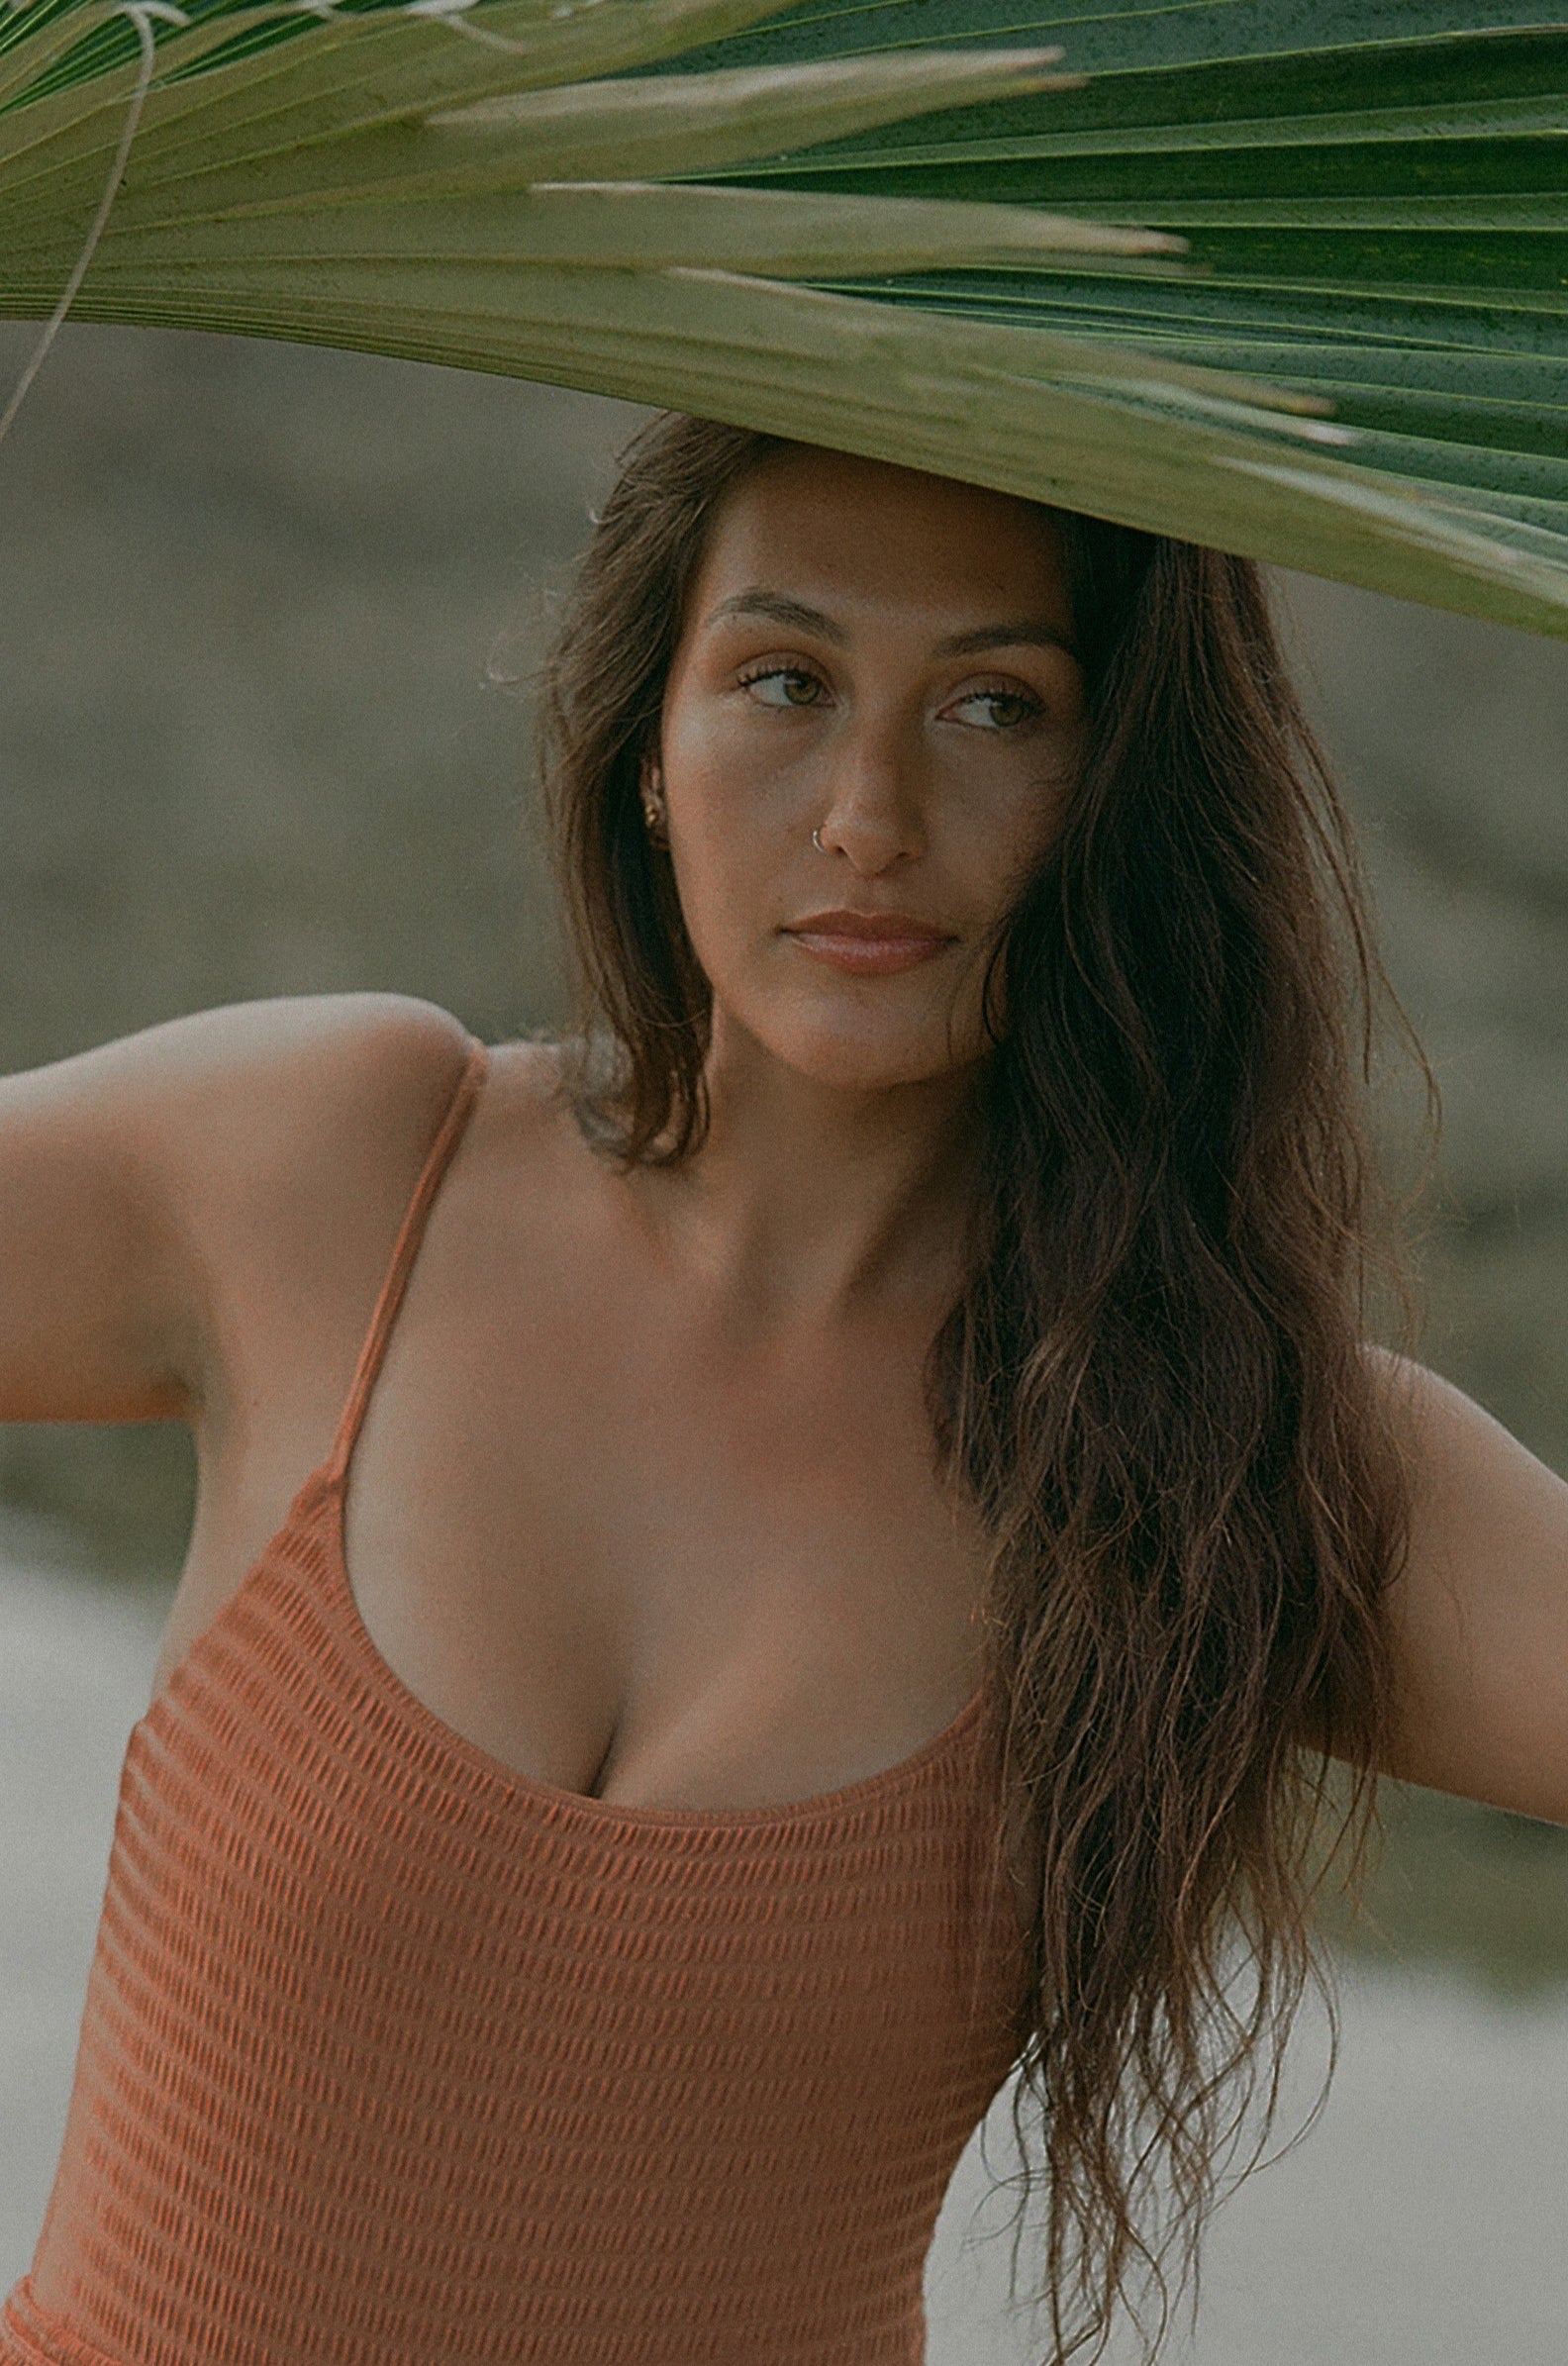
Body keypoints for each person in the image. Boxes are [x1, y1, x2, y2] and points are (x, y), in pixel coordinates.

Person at [1, 410, 1564, 2366]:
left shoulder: (1222, 1444)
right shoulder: (321, 1175)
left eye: (996, 706)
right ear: (648, 742)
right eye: (784, 680)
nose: (867, 814)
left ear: (1118, 782)